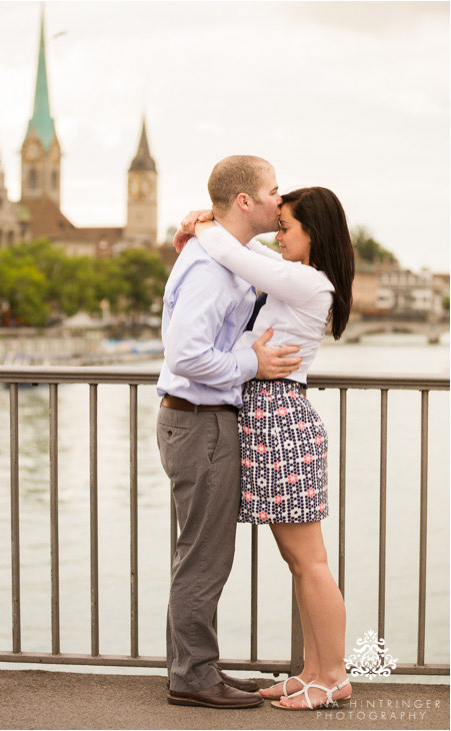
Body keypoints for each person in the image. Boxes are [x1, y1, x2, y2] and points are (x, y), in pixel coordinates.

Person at [174, 185, 355, 710]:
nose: (279, 235)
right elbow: (250, 254)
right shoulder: (299, 277)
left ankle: (334, 676)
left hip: (280, 418)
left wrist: (203, 227)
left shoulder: (307, 282)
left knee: (310, 561)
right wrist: (210, 224)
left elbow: (237, 254)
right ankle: (314, 670)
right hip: (271, 417)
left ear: (313, 234)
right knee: (300, 561)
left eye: (288, 227)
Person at [156, 155, 304, 709]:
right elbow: (187, 353)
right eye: (272, 191)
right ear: (245, 201)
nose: (279, 200)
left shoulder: (227, 256)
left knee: (200, 551)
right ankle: (193, 677)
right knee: (205, 555)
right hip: (201, 423)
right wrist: (253, 366)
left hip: (200, 423)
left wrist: (202, 226)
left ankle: (194, 667)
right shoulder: (212, 268)